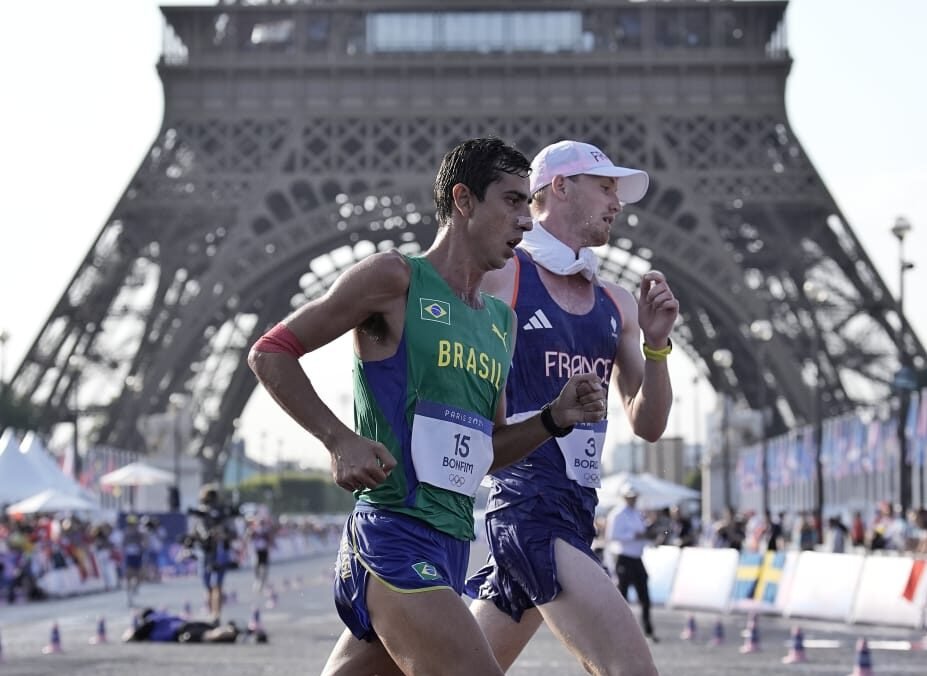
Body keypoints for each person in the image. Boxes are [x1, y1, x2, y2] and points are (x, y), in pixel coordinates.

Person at [247, 137, 608, 676]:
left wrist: (553, 419)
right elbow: (271, 352)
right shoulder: (395, 278)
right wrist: (337, 437)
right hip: (393, 534)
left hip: (452, 545)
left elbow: (488, 450)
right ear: (463, 200)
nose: (527, 221)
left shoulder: (499, 323)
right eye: (511, 201)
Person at [464, 139, 676, 675]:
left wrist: (656, 348)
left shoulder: (617, 303)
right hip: (527, 508)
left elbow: (648, 424)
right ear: (559, 187)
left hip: (577, 510)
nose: (617, 202)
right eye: (605, 187)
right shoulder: (503, 277)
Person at [606, 487, 660, 643]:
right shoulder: (617, 514)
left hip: (637, 558)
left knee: (645, 597)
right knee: (622, 598)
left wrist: (649, 537)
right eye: (630, 497)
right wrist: (633, 535)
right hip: (624, 558)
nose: (633, 499)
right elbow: (612, 536)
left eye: (634, 497)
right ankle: (618, 633)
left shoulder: (637, 514)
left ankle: (648, 631)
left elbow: (643, 534)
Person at [185, 484, 240, 622]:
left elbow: (233, 533)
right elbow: (195, 533)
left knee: (217, 585)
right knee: (208, 584)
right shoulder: (200, 515)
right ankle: (211, 611)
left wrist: (222, 533)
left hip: (220, 552)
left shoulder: (224, 515)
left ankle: (216, 614)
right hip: (205, 552)